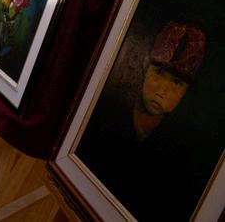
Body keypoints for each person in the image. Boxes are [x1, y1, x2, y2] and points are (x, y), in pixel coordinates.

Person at [76, 21, 206, 221]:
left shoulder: (178, 155)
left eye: (177, 82)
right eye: (159, 73)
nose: (162, 90)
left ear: (186, 91)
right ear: (146, 66)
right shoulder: (104, 113)